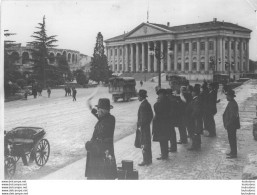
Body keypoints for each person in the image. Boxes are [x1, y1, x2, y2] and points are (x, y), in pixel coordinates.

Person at [85, 98, 117, 179]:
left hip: (103, 154)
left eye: (98, 110)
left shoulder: (110, 119)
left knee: (103, 176)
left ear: (103, 111)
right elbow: (97, 114)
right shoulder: (104, 118)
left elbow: (103, 138)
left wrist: (91, 144)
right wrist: (90, 108)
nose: (97, 111)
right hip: (98, 152)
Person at [136, 89, 153, 166]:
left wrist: (140, 126)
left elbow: (142, 118)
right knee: (147, 143)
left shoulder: (143, 105)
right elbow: (151, 116)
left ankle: (145, 160)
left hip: (143, 128)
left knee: (144, 143)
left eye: (138, 96)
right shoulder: (147, 104)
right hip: (146, 127)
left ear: (141, 96)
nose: (138, 97)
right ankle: (149, 159)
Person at [152, 88, 171, 160]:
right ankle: (165, 153)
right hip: (165, 123)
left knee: (162, 140)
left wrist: (157, 102)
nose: (159, 96)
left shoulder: (162, 102)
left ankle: (164, 155)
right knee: (164, 139)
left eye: (159, 94)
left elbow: (157, 109)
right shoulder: (167, 100)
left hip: (161, 124)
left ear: (162, 94)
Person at [223, 89, 240, 159]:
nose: (226, 97)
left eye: (227, 96)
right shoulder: (231, 102)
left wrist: (228, 124)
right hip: (231, 125)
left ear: (230, 96)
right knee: (231, 139)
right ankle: (233, 152)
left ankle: (234, 154)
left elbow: (233, 116)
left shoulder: (232, 104)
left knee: (232, 139)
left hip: (231, 125)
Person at [187, 86, 202, 150]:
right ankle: (196, 145)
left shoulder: (196, 100)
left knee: (195, 132)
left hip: (195, 119)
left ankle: (195, 146)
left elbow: (196, 110)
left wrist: (191, 116)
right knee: (196, 132)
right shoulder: (196, 99)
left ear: (195, 92)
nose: (191, 93)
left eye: (192, 92)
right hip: (196, 119)